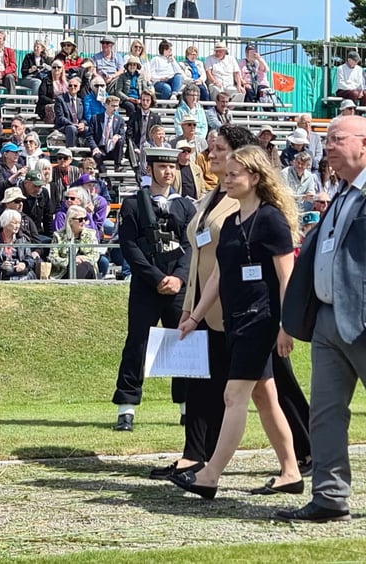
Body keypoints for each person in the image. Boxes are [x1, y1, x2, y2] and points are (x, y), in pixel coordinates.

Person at [171, 144, 302, 500]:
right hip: (235, 321)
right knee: (264, 397)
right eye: (225, 174)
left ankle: (210, 474)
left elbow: (286, 277)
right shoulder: (230, 222)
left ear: (255, 177)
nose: (225, 179)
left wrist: (286, 326)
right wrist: (195, 316)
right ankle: (291, 471)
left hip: (262, 321)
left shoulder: (272, 219)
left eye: (233, 174)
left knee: (234, 395)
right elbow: (218, 276)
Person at [277, 117, 366, 524]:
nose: (325, 146)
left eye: (336, 139)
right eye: (325, 140)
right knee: (325, 413)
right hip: (329, 320)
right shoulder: (341, 193)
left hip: (362, 319)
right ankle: (330, 497)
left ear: (363, 145)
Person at [112, 147, 195, 431]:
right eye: (161, 167)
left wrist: (179, 278)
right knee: (137, 345)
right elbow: (129, 247)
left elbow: (190, 246)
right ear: (150, 169)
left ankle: (188, 408)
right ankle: (126, 408)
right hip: (147, 287)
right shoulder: (134, 204)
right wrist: (157, 278)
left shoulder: (185, 206)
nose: (167, 172)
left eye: (171, 167)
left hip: (177, 287)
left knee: (183, 347)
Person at [0, 209, 37, 281]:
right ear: (5, 223)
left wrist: (24, 264)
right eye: (14, 223)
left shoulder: (22, 239)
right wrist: (0, 266)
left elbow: (30, 259)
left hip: (22, 275)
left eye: (19, 223)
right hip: (2, 276)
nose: (17, 226)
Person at [87, 95, 125, 173]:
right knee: (97, 156)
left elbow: (122, 134)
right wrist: (94, 147)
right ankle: (105, 177)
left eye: (117, 106)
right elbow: (89, 136)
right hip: (100, 147)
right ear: (106, 105)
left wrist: (117, 136)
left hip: (113, 148)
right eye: (113, 106)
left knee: (120, 140)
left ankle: (117, 166)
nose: (115, 108)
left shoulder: (120, 120)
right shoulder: (95, 118)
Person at [54, 76, 87, 148]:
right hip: (64, 126)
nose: (72, 87)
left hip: (77, 126)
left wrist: (82, 124)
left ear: (79, 88)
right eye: (70, 85)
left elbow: (84, 117)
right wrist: (72, 124)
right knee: (72, 128)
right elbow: (60, 117)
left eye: (75, 85)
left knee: (87, 129)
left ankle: (87, 155)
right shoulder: (60, 99)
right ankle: (71, 151)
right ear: (67, 87)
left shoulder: (80, 101)